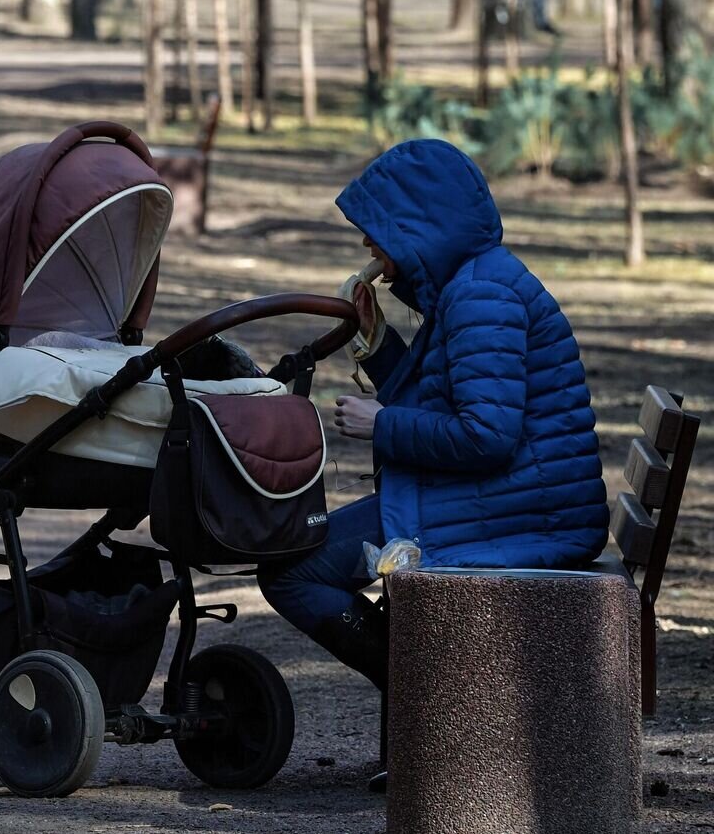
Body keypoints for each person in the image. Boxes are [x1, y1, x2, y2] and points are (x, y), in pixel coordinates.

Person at [257, 139, 609, 699]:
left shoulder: (480, 296)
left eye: (377, 226)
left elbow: (486, 436)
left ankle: (426, 702)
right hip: (505, 499)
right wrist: (376, 343)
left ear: (419, 226)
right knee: (295, 561)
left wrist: (381, 424)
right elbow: (446, 399)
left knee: (293, 573)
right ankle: (424, 701)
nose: (366, 242)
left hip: (522, 515)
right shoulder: (471, 284)